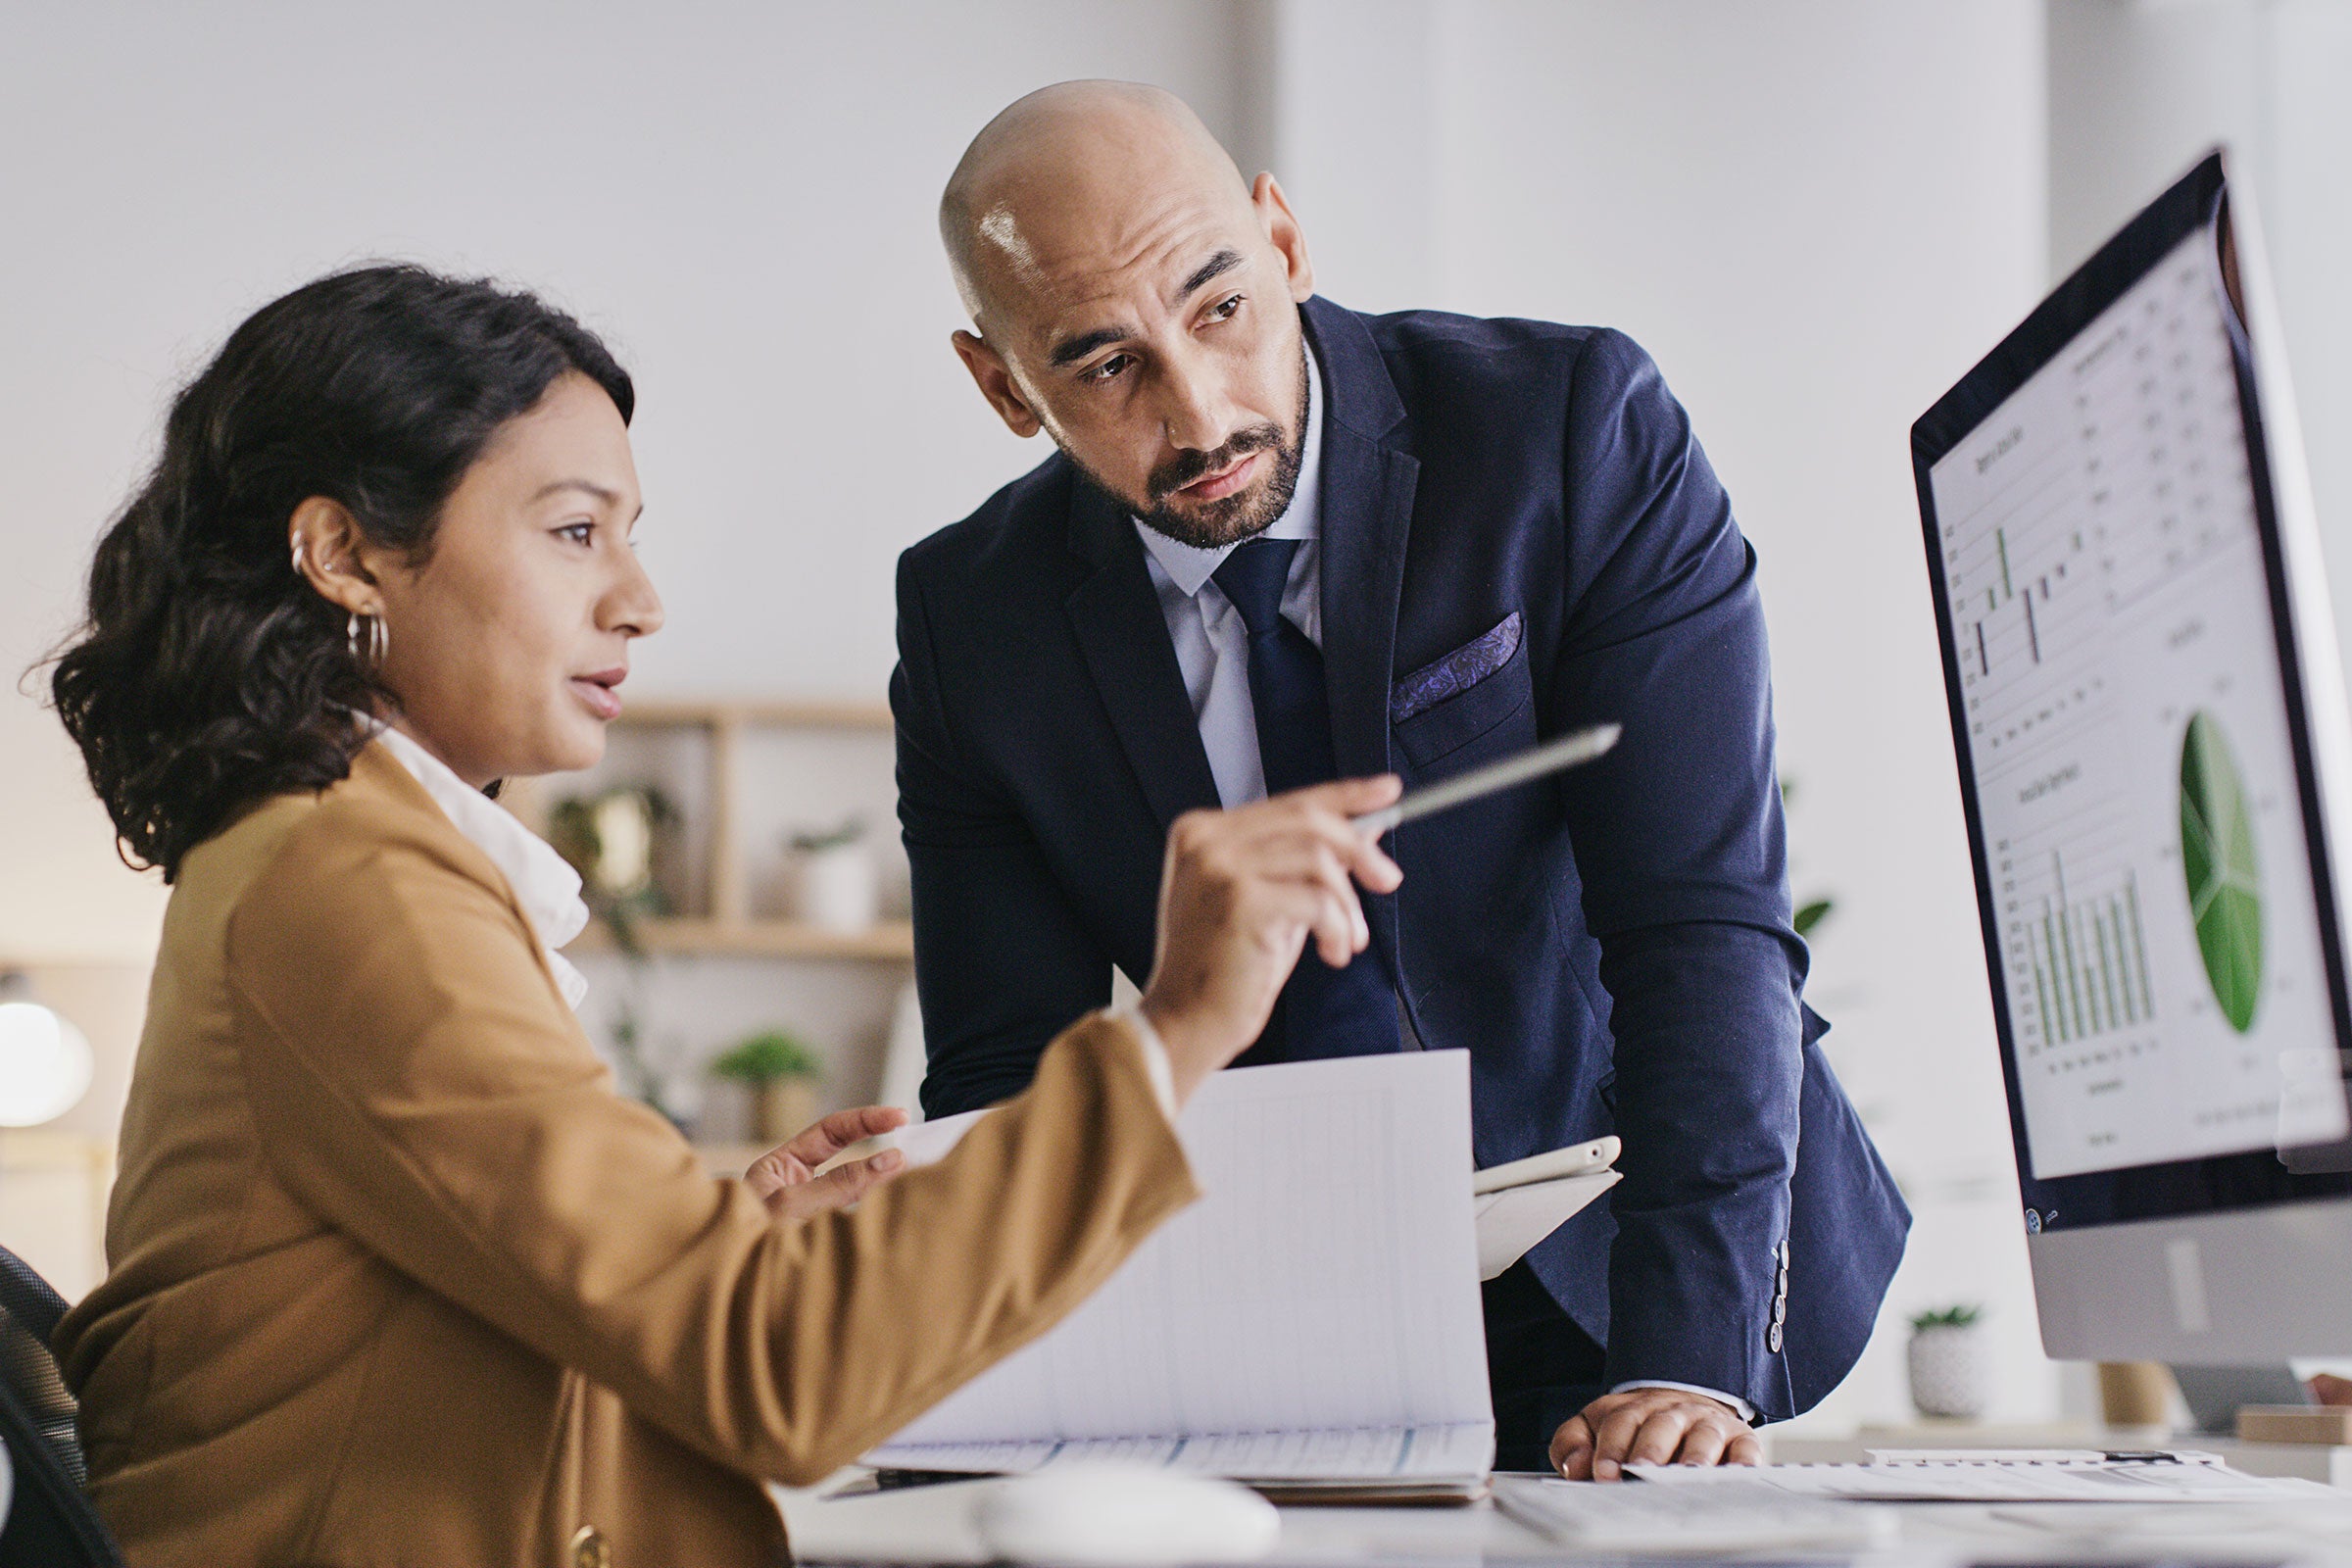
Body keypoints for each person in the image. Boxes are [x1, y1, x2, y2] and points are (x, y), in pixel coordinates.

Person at [42, 264, 1406, 1566]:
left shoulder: (323, 855)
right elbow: (780, 1377)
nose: (639, 602)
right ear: (345, 553)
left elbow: (427, 1316)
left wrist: (721, 1240)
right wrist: (1173, 1030)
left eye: (629, 540)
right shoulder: (357, 885)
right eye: (575, 532)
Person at [896, 81, 1911, 1478]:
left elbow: (1700, 918)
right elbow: (1007, 1075)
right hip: (1284, 1336)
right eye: (1103, 365)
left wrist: (1687, 1363)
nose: (1202, 416)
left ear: (1285, 241)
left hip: (1649, 1261)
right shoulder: (972, 622)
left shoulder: (1571, 429)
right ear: (1004, 385)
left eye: (1219, 308)